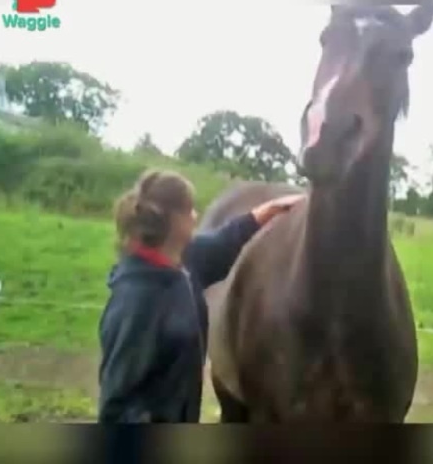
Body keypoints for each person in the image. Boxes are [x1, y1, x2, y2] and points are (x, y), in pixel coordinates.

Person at [98, 169, 304, 423]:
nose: (196, 216)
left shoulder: (182, 262)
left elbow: (223, 243)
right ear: (173, 221)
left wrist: (269, 211)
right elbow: (118, 400)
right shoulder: (136, 299)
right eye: (190, 210)